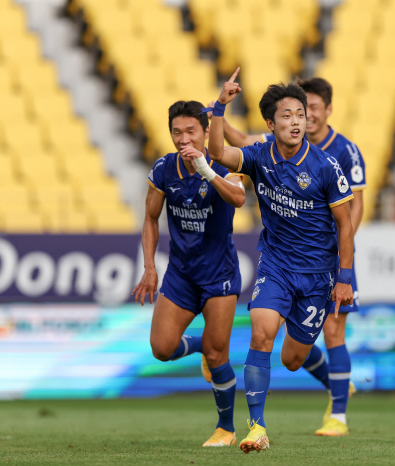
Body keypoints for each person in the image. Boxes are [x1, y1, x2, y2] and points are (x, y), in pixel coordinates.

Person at [202, 68, 354, 454]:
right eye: (287, 116)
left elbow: (345, 224)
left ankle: (321, 369)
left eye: (300, 115)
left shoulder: (325, 166)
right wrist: (220, 106)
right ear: (271, 123)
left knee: (291, 358)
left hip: (318, 278)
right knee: (261, 331)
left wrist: (345, 276)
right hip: (277, 267)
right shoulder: (258, 157)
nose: (296, 122)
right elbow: (218, 152)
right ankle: (257, 428)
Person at [132, 100, 247, 448]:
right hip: (181, 274)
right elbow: (151, 217)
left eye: (190, 131)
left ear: (206, 131)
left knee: (218, 356)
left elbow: (239, 199)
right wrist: (150, 267)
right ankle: (203, 345)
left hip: (219, 274)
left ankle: (225, 428)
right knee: (161, 349)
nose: (183, 139)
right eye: (176, 132)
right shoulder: (164, 168)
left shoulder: (224, 161)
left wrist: (206, 170)